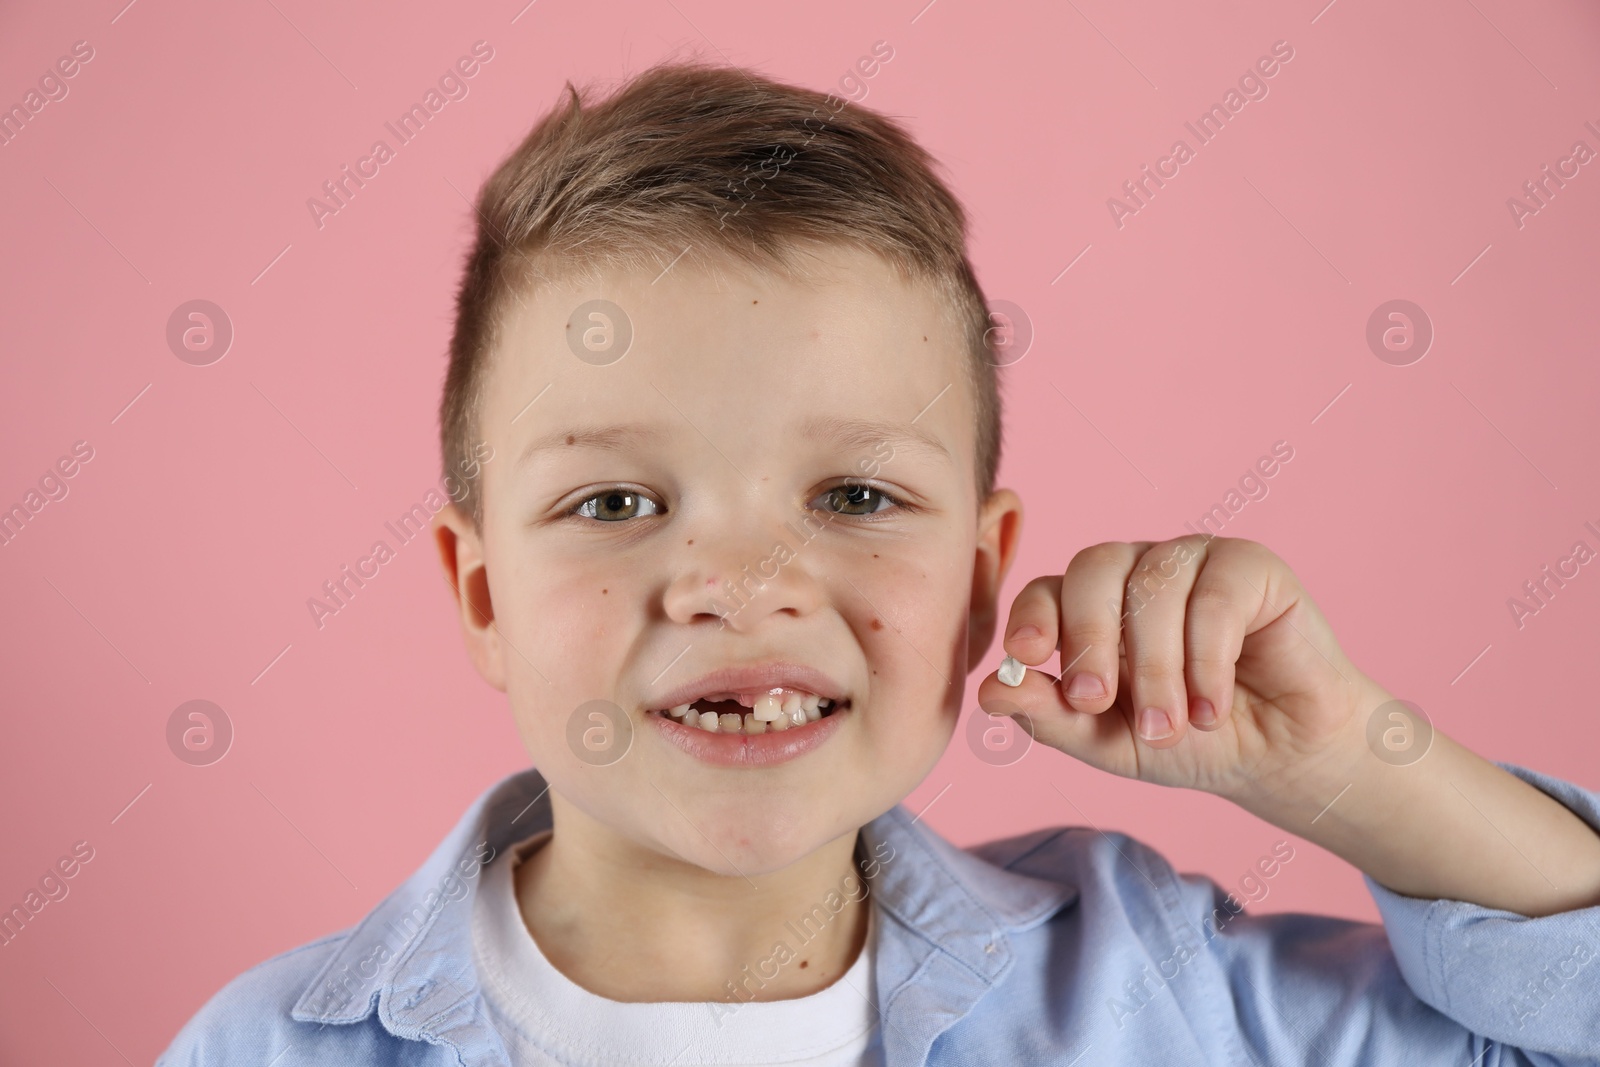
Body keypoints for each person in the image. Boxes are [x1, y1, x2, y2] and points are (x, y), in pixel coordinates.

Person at [159, 58, 1600, 1066]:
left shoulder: (1159, 991)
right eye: (613, 504)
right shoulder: (263, 1049)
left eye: (852, 491)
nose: (738, 583)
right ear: (482, 596)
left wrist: (1356, 767)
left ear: (983, 583)